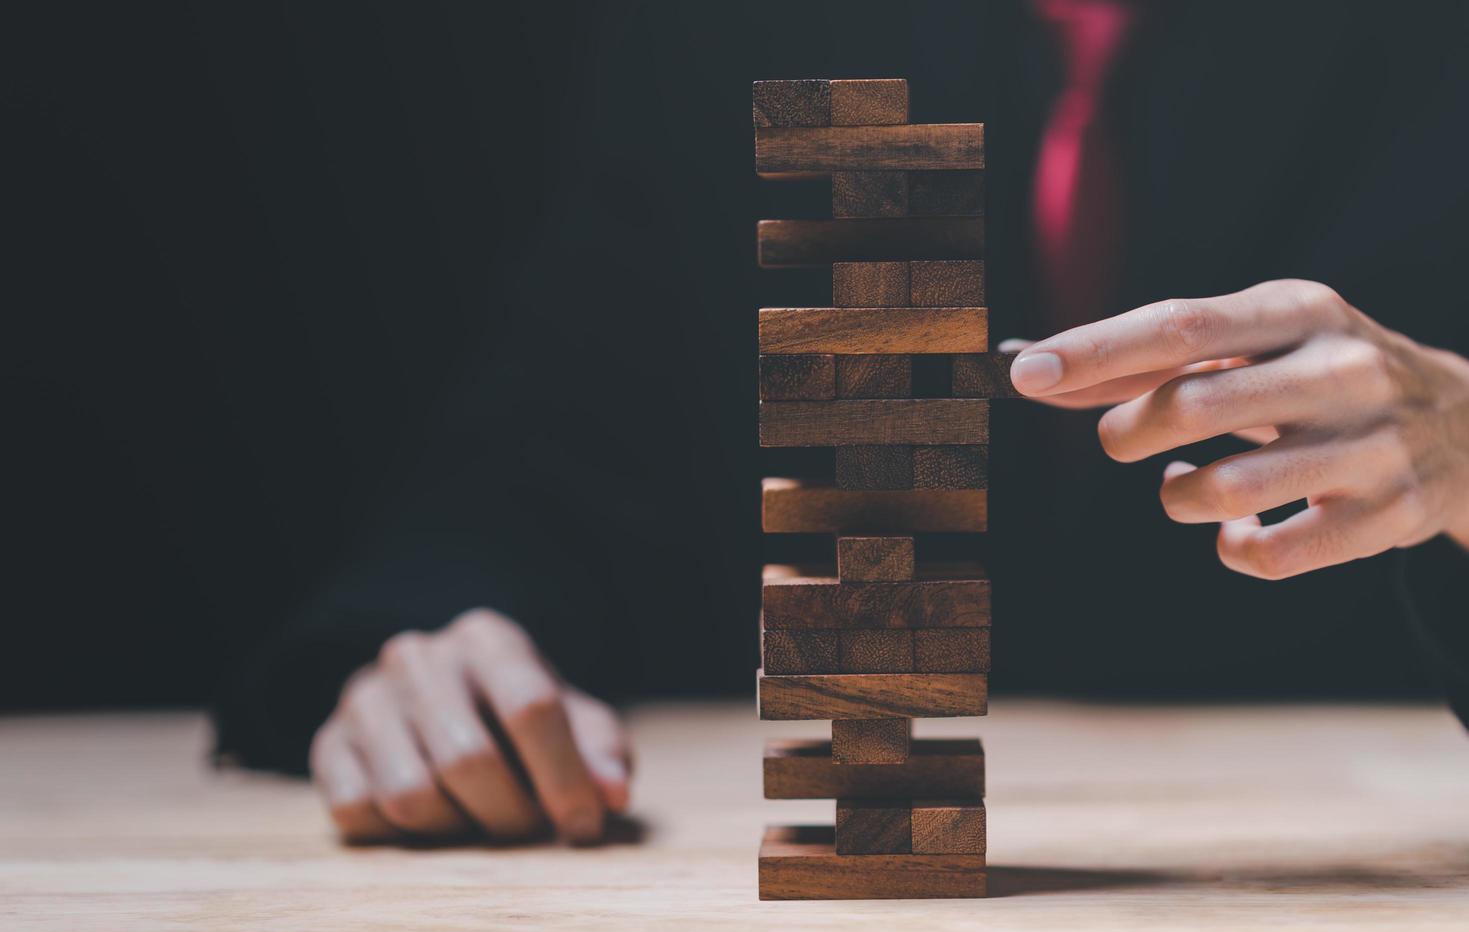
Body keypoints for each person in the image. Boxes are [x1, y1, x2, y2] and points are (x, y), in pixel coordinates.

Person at [205, 2, 1469, 845]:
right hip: (853, 888)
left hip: (1337, 867)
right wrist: (436, 643)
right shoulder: (776, 40)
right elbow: (548, 445)